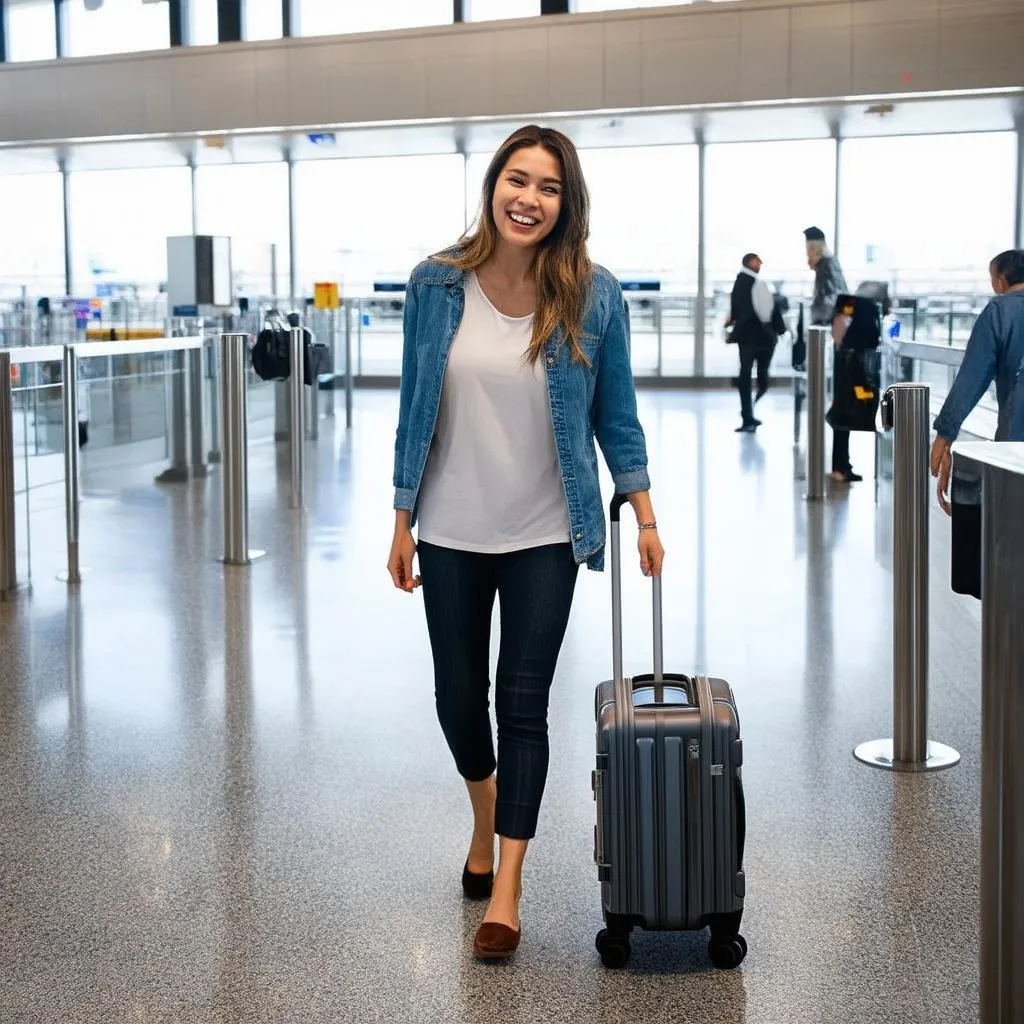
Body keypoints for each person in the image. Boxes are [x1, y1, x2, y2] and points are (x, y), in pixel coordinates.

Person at [387, 124, 665, 961]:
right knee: (454, 699)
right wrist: (401, 518)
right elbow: (413, 410)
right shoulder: (436, 285)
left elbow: (615, 416)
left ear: (565, 203)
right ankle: (485, 808)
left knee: (523, 705)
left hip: (548, 528)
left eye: (547, 187)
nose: (528, 199)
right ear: (492, 187)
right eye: (517, 180)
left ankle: (506, 889)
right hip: (452, 530)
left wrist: (644, 514)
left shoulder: (593, 293)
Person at [931, 249, 1024, 513]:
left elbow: (973, 376)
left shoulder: (999, 311)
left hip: (1017, 444)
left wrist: (945, 435)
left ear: (1000, 280)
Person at [804, 226, 858, 481]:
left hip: (839, 341)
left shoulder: (827, 264)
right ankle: (840, 465)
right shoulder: (828, 264)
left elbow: (837, 300)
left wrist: (827, 325)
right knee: (842, 401)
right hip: (840, 339)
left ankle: (840, 464)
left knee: (842, 401)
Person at [726, 253, 775, 432]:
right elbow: (761, 312)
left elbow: (736, 310)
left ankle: (748, 415)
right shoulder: (752, 283)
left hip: (747, 339)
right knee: (755, 377)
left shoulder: (742, 282)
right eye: (757, 261)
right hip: (757, 338)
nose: (760, 264)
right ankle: (748, 415)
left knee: (747, 376)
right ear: (749, 263)